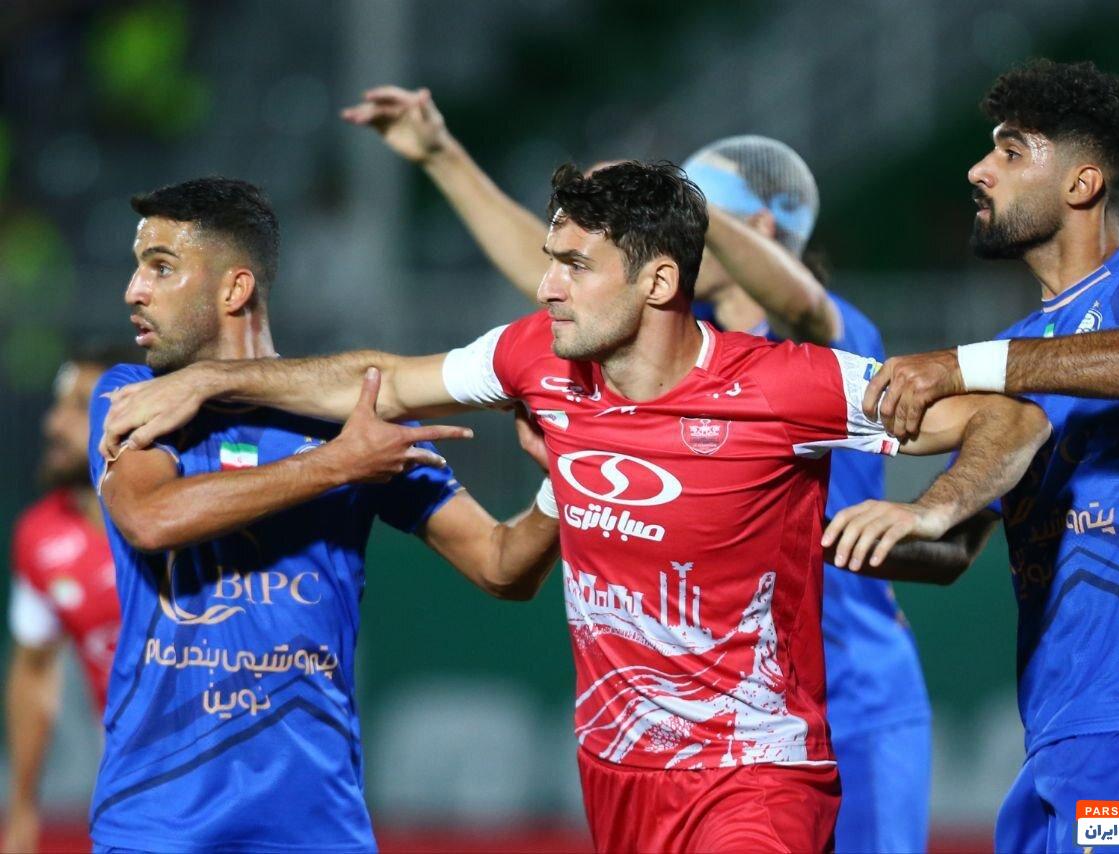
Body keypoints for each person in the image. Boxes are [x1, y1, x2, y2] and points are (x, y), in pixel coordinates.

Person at [99, 160, 1049, 851]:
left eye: (573, 265)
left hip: (755, 774)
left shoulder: (785, 383)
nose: (546, 284)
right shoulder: (537, 361)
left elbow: (1009, 419)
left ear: (660, 282)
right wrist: (213, 381)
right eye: (551, 259)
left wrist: (933, 509)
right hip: (620, 777)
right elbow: (381, 377)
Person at [339, 85, 933, 850]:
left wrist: (677, 207)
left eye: (701, 216)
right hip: (717, 709)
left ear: (754, 231)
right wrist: (442, 156)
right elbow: (558, 277)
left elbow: (802, 300)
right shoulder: (673, 346)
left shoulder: (828, 338)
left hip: (851, 687)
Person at [825, 59, 1119, 852]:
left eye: (1011, 152)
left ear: (1083, 184)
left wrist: (958, 366)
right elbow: (951, 549)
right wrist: (832, 534)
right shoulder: (1016, 353)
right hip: (1056, 736)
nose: (978, 170)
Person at [85, 177, 561, 853]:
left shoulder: (355, 422)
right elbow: (150, 518)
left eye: (160, 267)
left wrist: (562, 485)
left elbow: (501, 566)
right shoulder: (134, 396)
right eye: (139, 268)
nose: (134, 290)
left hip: (315, 829)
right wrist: (338, 466)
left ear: (234, 289)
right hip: (158, 824)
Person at [4, 355, 120, 853]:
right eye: (58, 406)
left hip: (237, 774)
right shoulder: (41, 535)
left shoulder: (198, 518)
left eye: (80, 408)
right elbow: (35, 668)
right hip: (131, 786)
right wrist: (23, 806)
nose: (53, 424)